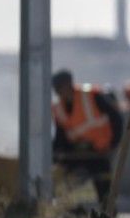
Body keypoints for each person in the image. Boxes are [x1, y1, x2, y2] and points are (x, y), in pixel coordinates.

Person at [51, 69, 123, 203]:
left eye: (61, 87)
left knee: (102, 182)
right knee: (68, 183)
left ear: (69, 85)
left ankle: (107, 212)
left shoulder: (91, 96)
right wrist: (57, 154)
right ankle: (72, 211)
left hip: (99, 150)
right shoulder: (58, 108)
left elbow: (115, 117)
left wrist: (114, 143)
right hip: (75, 153)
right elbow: (61, 134)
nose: (60, 92)